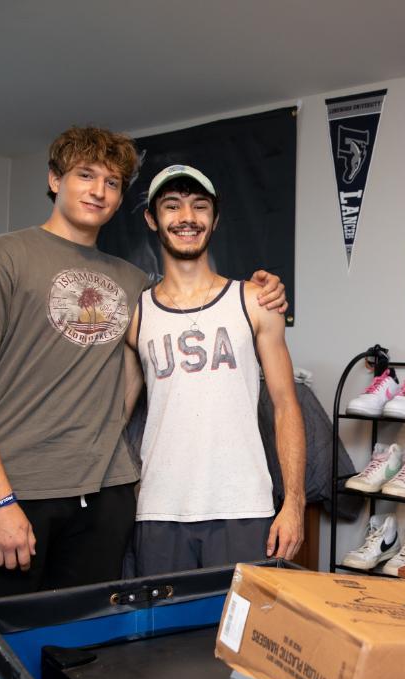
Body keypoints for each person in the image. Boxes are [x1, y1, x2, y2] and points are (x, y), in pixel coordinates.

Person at [0, 127, 286, 679]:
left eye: (112, 181)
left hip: (106, 499)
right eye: (84, 175)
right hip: (14, 498)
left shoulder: (132, 282)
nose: (98, 190)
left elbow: (147, 374)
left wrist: (267, 292)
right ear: (54, 179)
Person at [125, 164, 306, 575]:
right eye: (172, 206)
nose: (186, 217)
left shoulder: (256, 300)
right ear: (153, 219)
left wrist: (294, 503)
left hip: (242, 506)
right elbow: (116, 415)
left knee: (244, 637)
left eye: (199, 206)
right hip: (159, 511)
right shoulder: (138, 314)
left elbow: (285, 405)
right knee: (165, 638)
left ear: (215, 218)